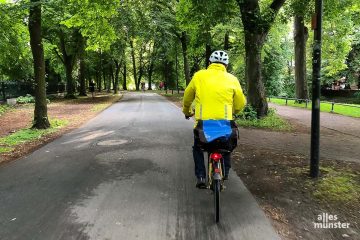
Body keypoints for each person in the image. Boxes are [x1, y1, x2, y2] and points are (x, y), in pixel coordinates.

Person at [182, 50, 246, 189]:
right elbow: (240, 103)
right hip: (225, 123)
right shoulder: (232, 79)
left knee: (198, 147)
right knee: (226, 147)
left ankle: (201, 176)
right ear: (226, 65)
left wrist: (187, 111)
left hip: (203, 125)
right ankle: (226, 171)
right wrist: (233, 112)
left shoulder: (199, 76)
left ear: (209, 63)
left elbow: (187, 97)